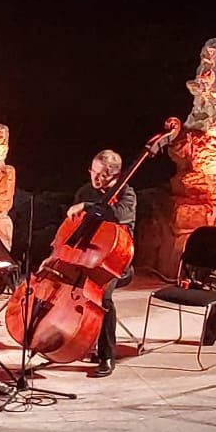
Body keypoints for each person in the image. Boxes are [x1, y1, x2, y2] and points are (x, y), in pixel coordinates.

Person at [66, 149, 136, 377]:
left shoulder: (126, 194)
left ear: (115, 175)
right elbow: (73, 227)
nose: (95, 179)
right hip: (85, 256)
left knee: (102, 296)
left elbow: (118, 215)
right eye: (93, 172)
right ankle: (71, 340)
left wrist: (87, 206)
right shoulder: (85, 191)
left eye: (102, 175)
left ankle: (107, 355)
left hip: (115, 262)